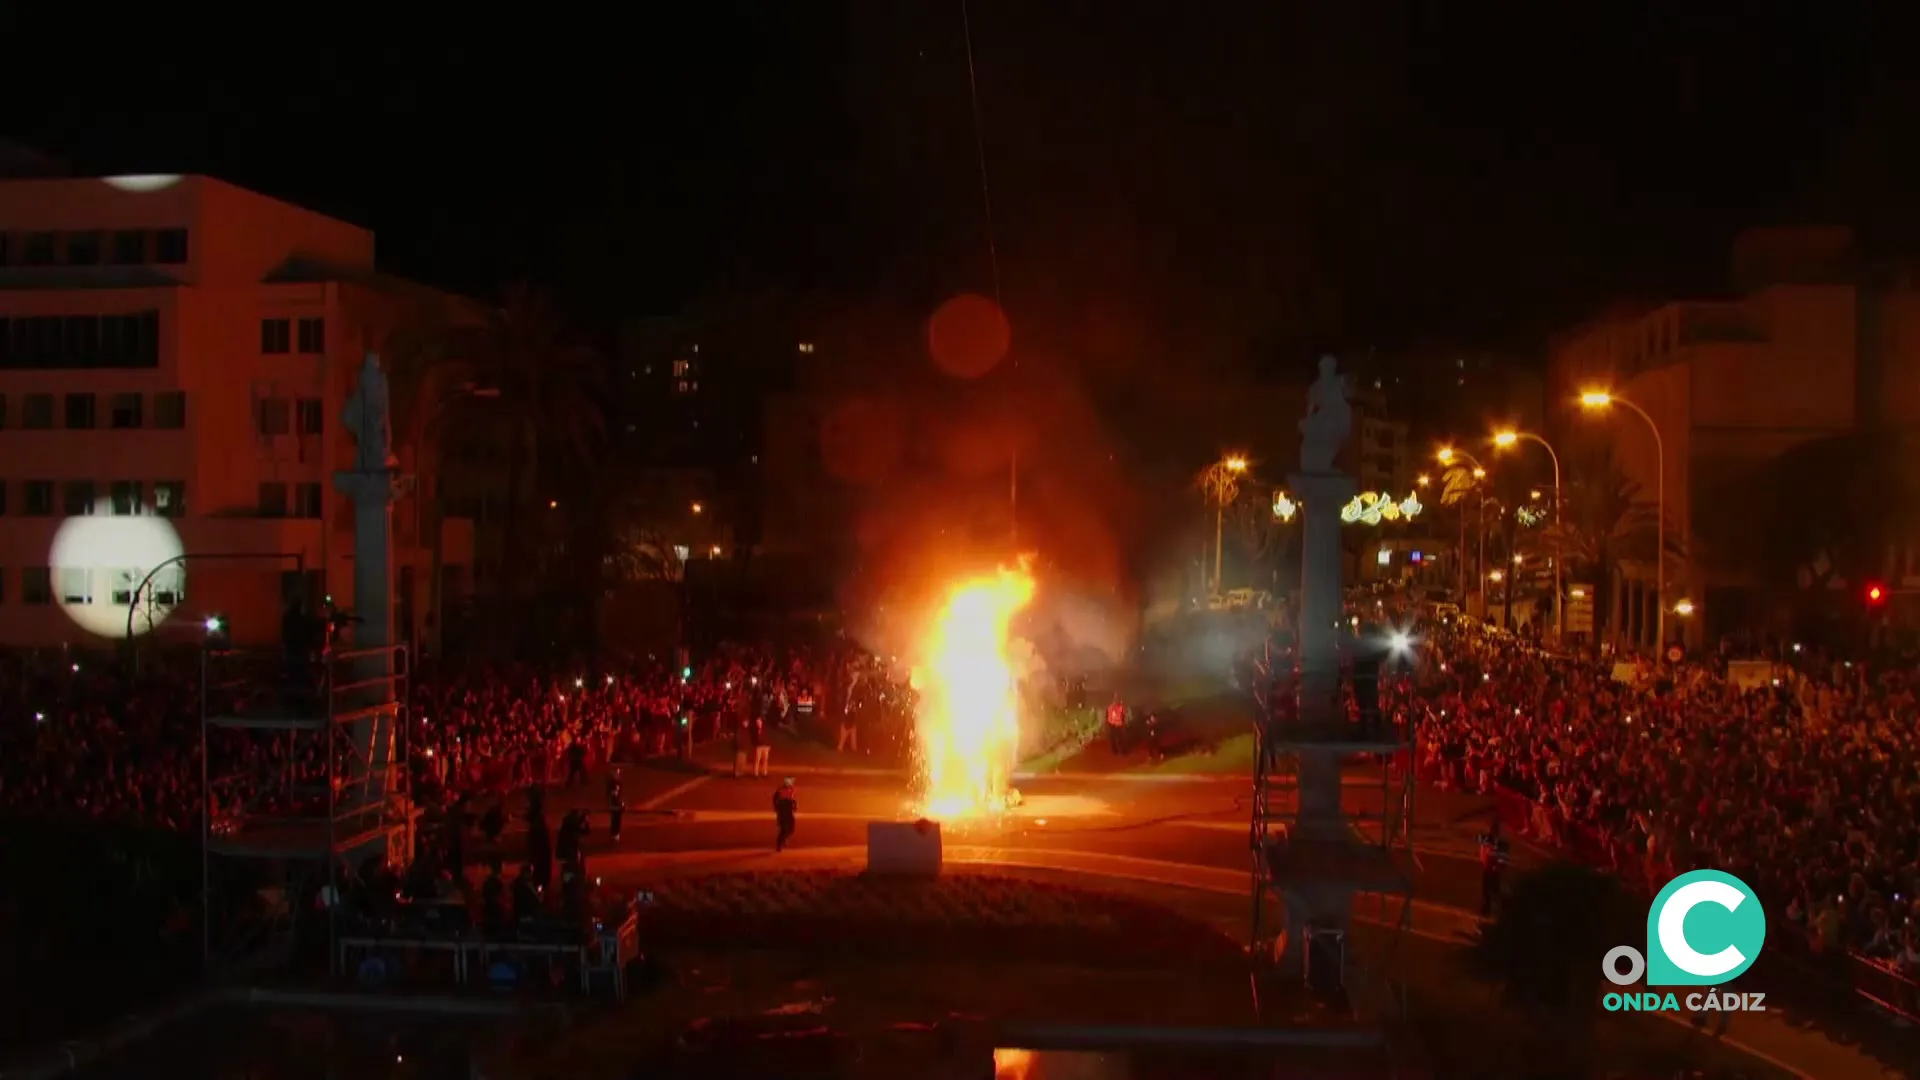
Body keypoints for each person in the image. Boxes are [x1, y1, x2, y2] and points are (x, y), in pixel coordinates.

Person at [1477, 817, 1509, 917]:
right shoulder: (1487, 841)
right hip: (1487, 868)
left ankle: (1503, 905)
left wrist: (1497, 867)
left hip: (1493, 870)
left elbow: (1502, 857)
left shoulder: (1500, 844)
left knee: (1494, 890)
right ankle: (1486, 908)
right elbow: (1483, 852)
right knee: (1487, 890)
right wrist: (1483, 861)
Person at [773, 777, 798, 852]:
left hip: (788, 810)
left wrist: (795, 804)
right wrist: (776, 807)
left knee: (790, 828)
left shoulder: (792, 789)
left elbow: (791, 799)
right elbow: (775, 799)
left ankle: (783, 840)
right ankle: (779, 844)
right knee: (784, 828)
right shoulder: (780, 790)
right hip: (783, 810)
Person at [606, 769, 625, 842]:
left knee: (615, 819)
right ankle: (615, 833)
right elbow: (614, 796)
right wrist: (621, 804)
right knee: (615, 820)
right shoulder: (613, 784)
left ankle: (615, 833)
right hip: (615, 805)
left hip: (615, 804)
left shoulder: (616, 783)